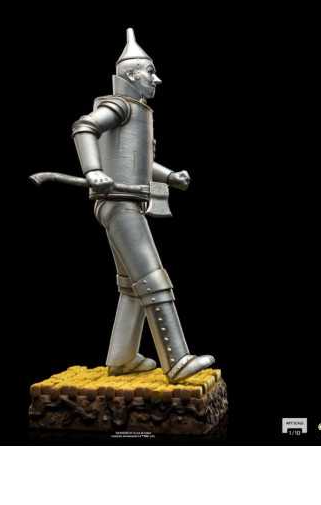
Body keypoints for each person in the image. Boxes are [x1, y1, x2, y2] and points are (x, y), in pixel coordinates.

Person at [72, 28, 215, 383]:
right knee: (153, 278)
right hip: (120, 205)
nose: (156, 79)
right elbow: (84, 127)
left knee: (132, 285)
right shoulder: (119, 105)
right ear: (132, 76)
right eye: (150, 72)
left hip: (124, 202)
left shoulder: (137, 112)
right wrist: (93, 171)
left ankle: (122, 359)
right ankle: (177, 360)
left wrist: (170, 177)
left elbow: (139, 164)